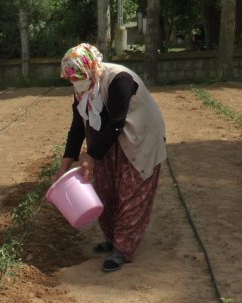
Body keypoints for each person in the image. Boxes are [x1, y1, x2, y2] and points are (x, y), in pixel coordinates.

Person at [54, 43, 167, 273]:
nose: (75, 83)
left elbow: (117, 122)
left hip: (139, 137)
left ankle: (122, 249)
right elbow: (77, 126)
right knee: (105, 189)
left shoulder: (119, 79)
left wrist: (92, 155)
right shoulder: (83, 87)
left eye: (78, 77)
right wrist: (66, 162)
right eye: (71, 79)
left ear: (91, 69)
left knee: (131, 192)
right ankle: (112, 237)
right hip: (107, 140)